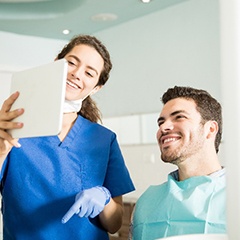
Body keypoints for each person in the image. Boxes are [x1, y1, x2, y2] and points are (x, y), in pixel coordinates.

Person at [0, 34, 135, 240]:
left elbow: (115, 224)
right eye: (71, 63)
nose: (76, 74)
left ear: (96, 87)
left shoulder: (104, 139)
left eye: (89, 73)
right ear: (56, 64)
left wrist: (105, 199)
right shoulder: (14, 127)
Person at [131, 86, 226, 240]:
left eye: (179, 117)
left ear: (210, 129)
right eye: (161, 122)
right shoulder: (147, 202)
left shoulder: (234, 195)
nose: (163, 127)